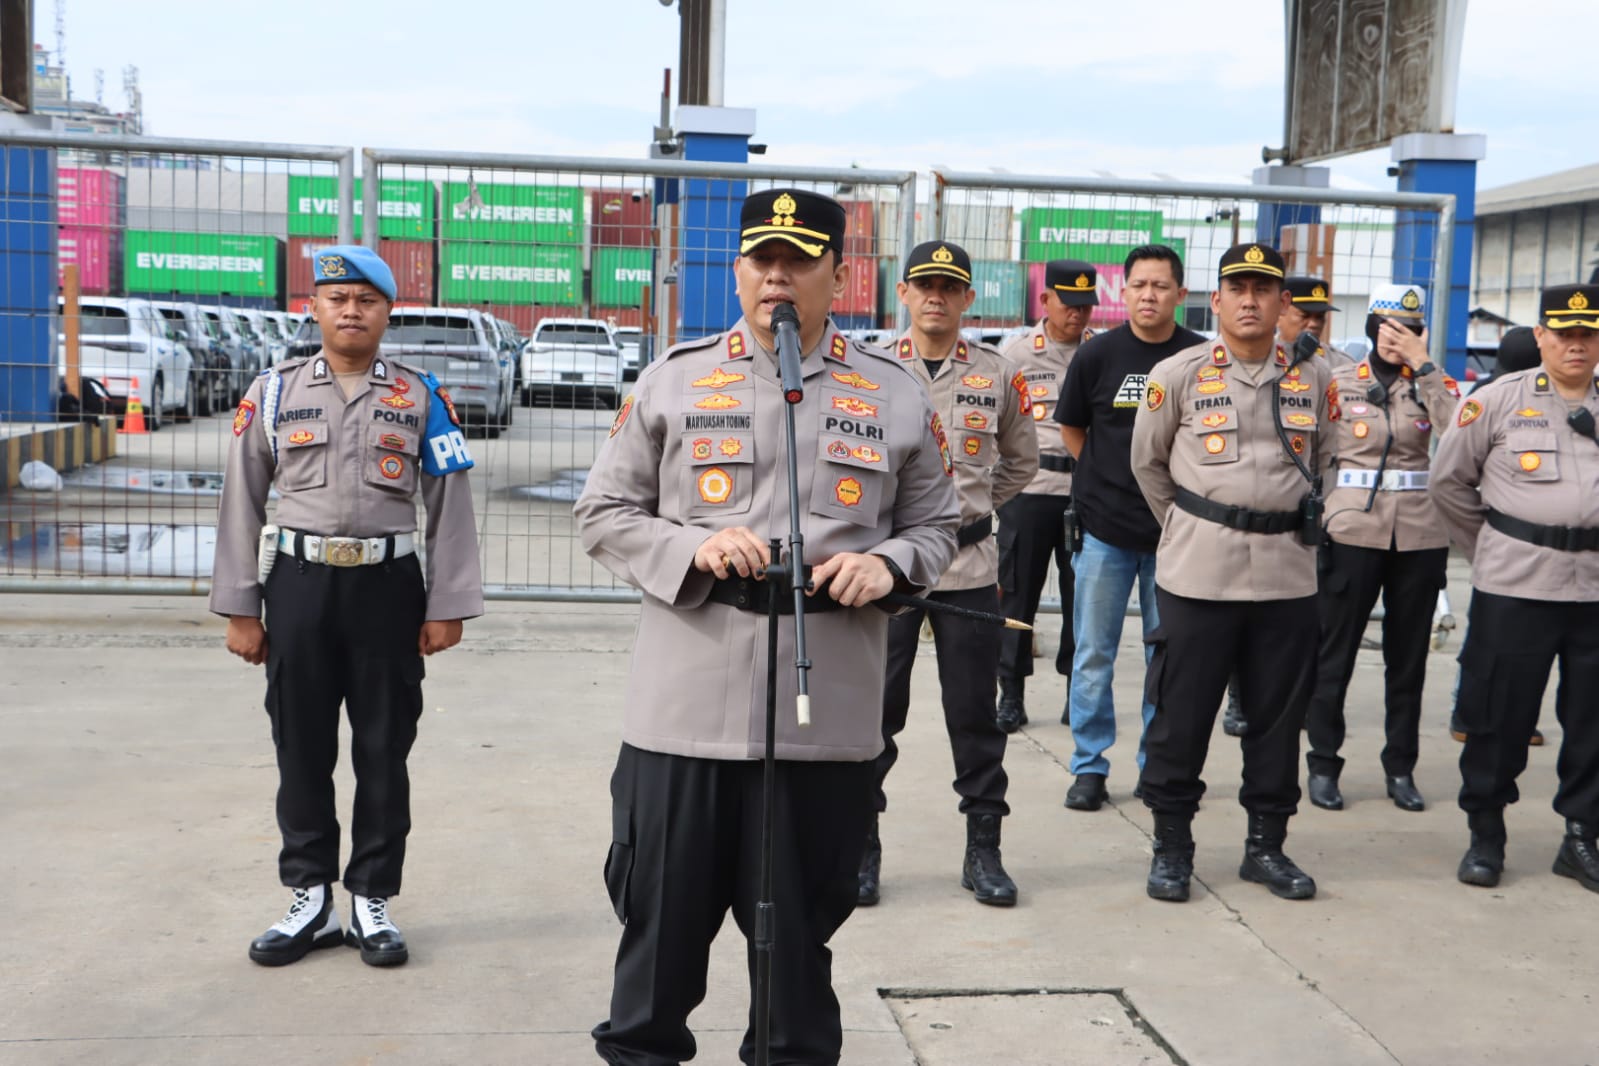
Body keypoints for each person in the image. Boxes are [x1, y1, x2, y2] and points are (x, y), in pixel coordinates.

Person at [574, 189, 960, 1065]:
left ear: (839, 273)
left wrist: (889, 565)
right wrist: (690, 549)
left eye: (798, 261)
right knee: (656, 955)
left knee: (794, 970)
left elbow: (939, 525)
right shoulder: (673, 378)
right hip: (684, 716)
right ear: (738, 270)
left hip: (823, 722)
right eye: (760, 260)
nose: (775, 278)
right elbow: (602, 512)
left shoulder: (891, 392)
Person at [210, 245, 484, 968]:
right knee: (300, 745)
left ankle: (371, 899)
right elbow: (240, 498)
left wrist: (448, 602)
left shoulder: (421, 397)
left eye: (366, 299)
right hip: (297, 587)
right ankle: (308, 898)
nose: (351, 310)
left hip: (387, 591)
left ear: (389, 311)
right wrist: (241, 606)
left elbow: (449, 502)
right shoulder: (272, 393)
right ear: (315, 309)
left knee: (383, 749)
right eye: (337, 298)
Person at [1130, 242, 1336, 903]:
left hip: (1286, 575)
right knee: (1181, 717)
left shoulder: (1315, 378)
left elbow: (1328, 463)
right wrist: (1195, 528)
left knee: (1277, 720)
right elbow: (1147, 466)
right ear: (1214, 300)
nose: (1249, 299)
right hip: (1199, 574)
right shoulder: (1177, 373)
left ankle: (1265, 848)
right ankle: (1171, 847)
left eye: (1263, 289)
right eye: (1236, 288)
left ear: (1283, 305)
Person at [860, 240, 1037, 909]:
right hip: (891, 570)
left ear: (967, 299)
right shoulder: (872, 370)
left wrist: (966, 516)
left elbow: (1019, 462)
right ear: (902, 293)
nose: (935, 297)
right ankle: (859, 847)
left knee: (975, 716)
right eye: (923, 285)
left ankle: (983, 851)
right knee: (875, 716)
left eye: (949, 287)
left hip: (967, 566)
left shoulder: (995, 372)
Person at [1429, 282, 1599, 894]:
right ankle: (1486, 834)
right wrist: (1495, 549)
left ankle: (1581, 837)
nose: (1577, 344)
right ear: (1542, 337)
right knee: (1499, 716)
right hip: (1516, 587)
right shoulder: (1498, 401)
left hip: (1595, 592)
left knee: (1592, 723)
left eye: (1589, 333)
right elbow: (1449, 483)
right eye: (1565, 333)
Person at [1054, 244, 1204, 811]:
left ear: (1179, 294)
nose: (1148, 295)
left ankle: (1156, 764)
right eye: (1138, 284)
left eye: (1160, 286)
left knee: (1167, 657)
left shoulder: (1199, 357)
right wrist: (1106, 475)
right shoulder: (1098, 356)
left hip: (1177, 537)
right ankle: (1089, 766)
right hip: (1104, 535)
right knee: (1094, 653)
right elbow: (1072, 429)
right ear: (1125, 290)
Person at [1303, 285, 1460, 813]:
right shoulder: (1340, 380)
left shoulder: (1434, 383)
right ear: (1371, 329)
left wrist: (1426, 366)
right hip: (1351, 531)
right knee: (1334, 655)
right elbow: (1310, 447)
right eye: (1388, 329)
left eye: (1409, 330)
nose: (1397, 339)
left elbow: (1458, 434)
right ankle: (1323, 764)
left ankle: (1401, 768)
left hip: (1419, 535)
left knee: (1408, 660)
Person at [1223, 272, 1352, 737]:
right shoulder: (1252, 360)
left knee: (1298, 625)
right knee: (1240, 619)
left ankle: (1289, 702)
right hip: (1235, 526)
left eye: (1322, 318)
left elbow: (1333, 452)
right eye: (1306, 316)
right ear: (1284, 312)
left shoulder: (1334, 370)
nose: (1314, 326)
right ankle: (1238, 696)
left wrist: (1325, 506)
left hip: (1306, 524)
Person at [994, 259, 1099, 732]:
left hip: (1087, 491)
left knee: (1084, 598)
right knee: (1018, 595)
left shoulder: (1101, 352)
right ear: (1046, 301)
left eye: (1085, 306)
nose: (1078, 315)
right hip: (1031, 490)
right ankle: (1010, 695)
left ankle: (1077, 693)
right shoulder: (1016, 353)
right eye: (1069, 305)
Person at [1447, 325, 1546, 746]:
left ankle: (1486, 717)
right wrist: (1484, 542)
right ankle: (1468, 716)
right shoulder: (1492, 399)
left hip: (1518, 542)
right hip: (1499, 536)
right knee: (1488, 642)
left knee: (1514, 644)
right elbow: (1451, 480)